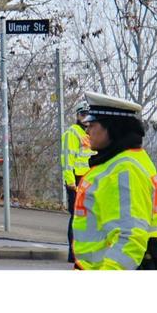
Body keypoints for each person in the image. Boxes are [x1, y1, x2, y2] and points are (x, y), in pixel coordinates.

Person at [71, 91, 157, 270]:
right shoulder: (122, 161)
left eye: (92, 124)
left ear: (112, 128)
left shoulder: (124, 169)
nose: (87, 130)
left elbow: (130, 238)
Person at [61, 99, 94, 262]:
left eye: (88, 114)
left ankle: (86, 250)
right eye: (82, 114)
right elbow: (67, 158)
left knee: (89, 217)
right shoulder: (73, 133)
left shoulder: (91, 133)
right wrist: (70, 181)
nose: (85, 117)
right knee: (77, 216)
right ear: (77, 115)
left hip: (89, 179)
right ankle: (73, 253)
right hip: (76, 179)